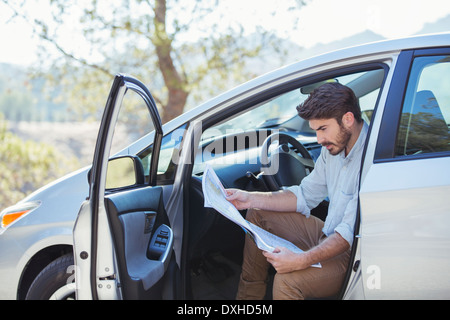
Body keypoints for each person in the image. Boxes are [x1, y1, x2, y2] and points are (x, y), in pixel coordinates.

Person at [226, 82, 368, 300]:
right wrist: (249, 198)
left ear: (348, 119)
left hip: (354, 254)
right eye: (316, 131)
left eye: (323, 129)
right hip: (329, 233)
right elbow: (304, 195)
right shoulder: (333, 150)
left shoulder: (372, 158)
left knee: (286, 282)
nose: (320, 140)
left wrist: (300, 260)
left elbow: (347, 234)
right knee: (257, 213)